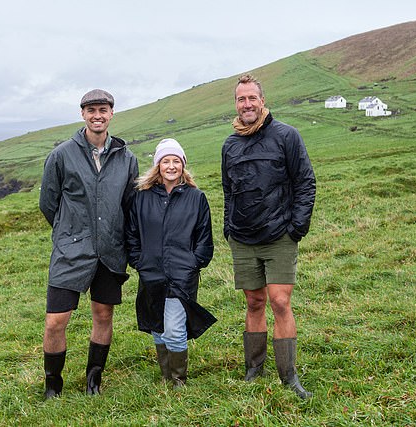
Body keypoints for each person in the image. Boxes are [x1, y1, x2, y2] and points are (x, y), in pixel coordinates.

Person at [39, 89, 139, 398]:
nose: (97, 115)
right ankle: (53, 383)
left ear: (112, 114)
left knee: (103, 315)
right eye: (91, 109)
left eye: (103, 109)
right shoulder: (62, 154)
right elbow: (49, 203)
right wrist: (70, 233)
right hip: (71, 251)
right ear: (83, 114)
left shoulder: (126, 158)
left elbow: (129, 204)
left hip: (110, 251)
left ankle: (93, 380)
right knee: (56, 321)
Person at [221, 74, 316, 399]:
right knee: (254, 301)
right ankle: (254, 368)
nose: (246, 104)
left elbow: (305, 182)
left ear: (262, 101)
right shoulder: (230, 144)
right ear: (236, 104)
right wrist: (228, 227)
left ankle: (288, 376)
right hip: (243, 237)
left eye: (251, 98)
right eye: (240, 99)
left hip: (279, 236)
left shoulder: (286, 135)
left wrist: (296, 228)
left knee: (279, 301)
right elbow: (228, 191)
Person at [126, 138, 215, 389]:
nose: (171, 165)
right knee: (157, 324)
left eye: (176, 161)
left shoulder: (196, 198)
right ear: (158, 165)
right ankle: (166, 375)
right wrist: (139, 261)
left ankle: (178, 380)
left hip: (181, 275)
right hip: (151, 273)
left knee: (175, 329)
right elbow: (132, 234)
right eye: (166, 161)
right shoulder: (141, 197)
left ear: (183, 166)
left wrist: (193, 263)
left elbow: (204, 237)